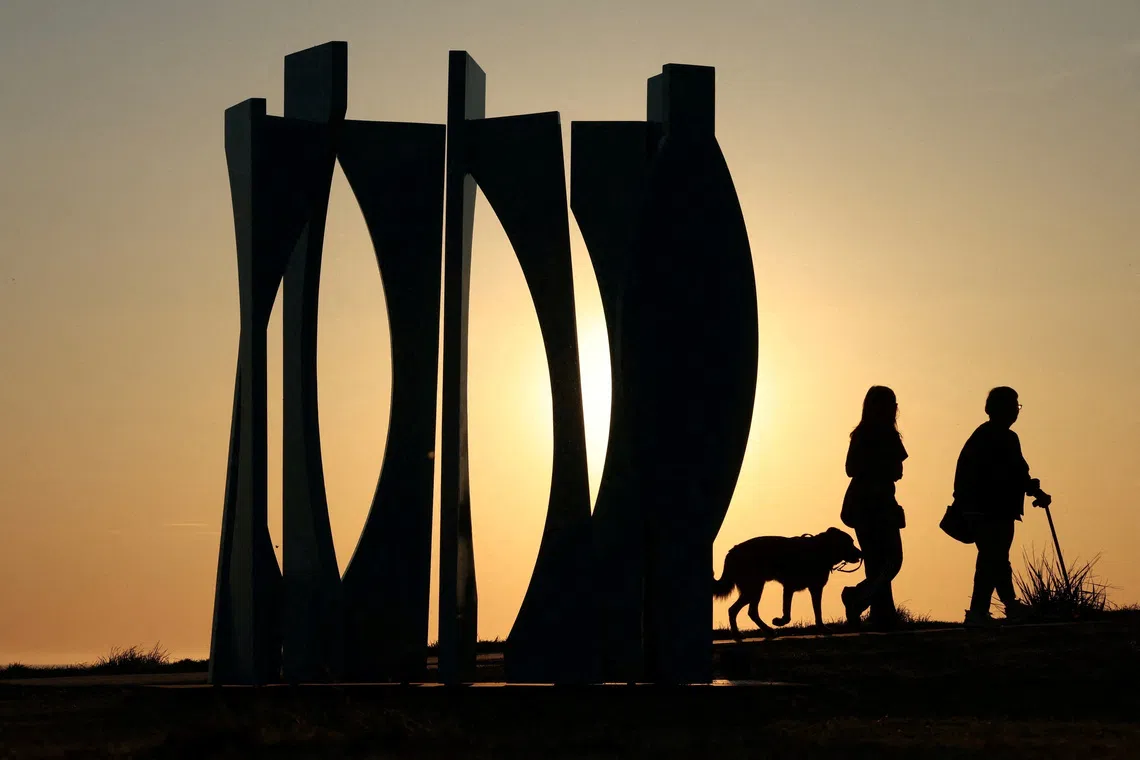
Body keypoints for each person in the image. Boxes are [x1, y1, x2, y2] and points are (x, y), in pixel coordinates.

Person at [951, 386, 1050, 626]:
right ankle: (990, 609)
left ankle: (994, 608)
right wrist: (1035, 490)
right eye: (1014, 405)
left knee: (993, 558)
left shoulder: (984, 435)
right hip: (992, 508)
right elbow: (1016, 472)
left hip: (985, 507)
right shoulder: (1002, 437)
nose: (1016, 411)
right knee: (993, 558)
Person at [840, 386, 908, 630]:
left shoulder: (881, 434)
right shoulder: (869, 435)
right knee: (889, 560)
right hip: (869, 504)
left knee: (882, 562)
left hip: (874, 503)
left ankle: (879, 611)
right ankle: (862, 599)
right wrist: (879, 467)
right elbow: (852, 468)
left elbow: (897, 470)